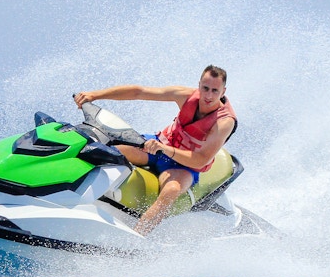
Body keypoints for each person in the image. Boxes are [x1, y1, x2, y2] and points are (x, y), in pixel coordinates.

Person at [74, 65, 237, 235]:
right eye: (205, 88)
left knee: (171, 190)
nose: (208, 95)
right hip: (157, 147)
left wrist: (166, 150)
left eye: (214, 90)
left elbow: (201, 159)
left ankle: (137, 238)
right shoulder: (185, 95)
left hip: (183, 166)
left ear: (223, 91)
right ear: (199, 85)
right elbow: (139, 92)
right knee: (104, 151)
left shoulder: (224, 122)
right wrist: (95, 95)